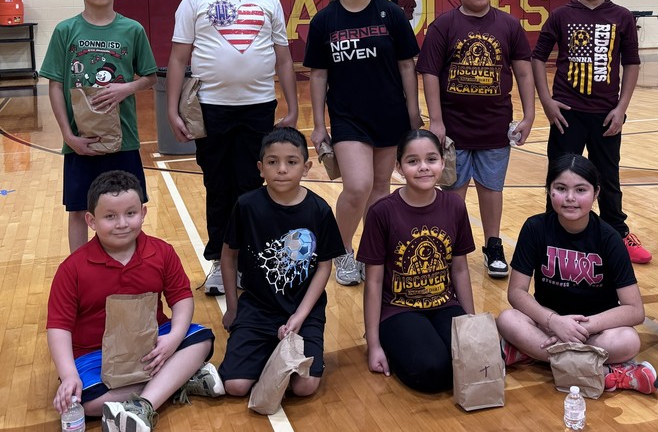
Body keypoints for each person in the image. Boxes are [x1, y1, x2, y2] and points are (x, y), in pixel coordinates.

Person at [165, 0, 298, 296]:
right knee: (218, 185)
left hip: (258, 109)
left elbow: (284, 59)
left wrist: (293, 105)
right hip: (211, 110)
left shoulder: (268, 0)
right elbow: (178, 58)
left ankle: (251, 260)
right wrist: (173, 109)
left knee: (252, 184)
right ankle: (219, 262)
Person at [46, 171, 222, 432]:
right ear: (91, 221)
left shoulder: (162, 252)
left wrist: (173, 338)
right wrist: (69, 374)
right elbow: (59, 326)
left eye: (130, 213)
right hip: (96, 354)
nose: (122, 223)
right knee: (84, 402)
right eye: (110, 216)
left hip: (152, 343)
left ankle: (143, 406)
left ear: (143, 213)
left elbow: (182, 298)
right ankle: (179, 380)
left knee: (202, 340)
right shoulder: (72, 268)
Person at [304, 0, 422, 286]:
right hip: (347, 117)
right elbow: (318, 74)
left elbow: (406, 65)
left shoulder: (391, 14)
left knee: (380, 189)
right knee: (357, 186)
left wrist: (414, 115)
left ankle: (371, 254)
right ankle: (340, 249)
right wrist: (318, 125)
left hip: (390, 114)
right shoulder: (325, 20)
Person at [496, 154, 658, 394]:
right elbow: (517, 292)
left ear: (596, 194)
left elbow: (635, 310)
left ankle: (532, 353)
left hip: (593, 332)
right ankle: (609, 374)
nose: (570, 198)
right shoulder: (535, 228)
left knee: (629, 340)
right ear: (548, 190)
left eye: (581, 190)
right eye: (561, 188)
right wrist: (554, 322)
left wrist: (583, 328)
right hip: (549, 324)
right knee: (507, 319)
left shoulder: (609, 238)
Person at [417, 0, 535, 278]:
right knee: (453, 192)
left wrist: (529, 115)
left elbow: (524, 74)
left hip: (495, 125)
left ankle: (493, 245)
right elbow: (428, 73)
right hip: (454, 128)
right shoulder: (444, 25)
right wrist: (436, 121)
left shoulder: (509, 25)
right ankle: (450, 246)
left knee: (491, 189)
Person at [531, 0, 650, 264]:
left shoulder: (622, 17)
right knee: (560, 176)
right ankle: (553, 234)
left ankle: (617, 232)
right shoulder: (561, 15)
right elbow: (537, 57)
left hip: (606, 116)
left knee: (608, 177)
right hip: (566, 115)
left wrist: (621, 108)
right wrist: (546, 102)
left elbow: (632, 63)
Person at [40, 0, 157, 252]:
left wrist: (125, 88)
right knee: (79, 210)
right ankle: (80, 273)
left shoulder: (133, 30)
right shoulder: (66, 31)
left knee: (128, 207)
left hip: (124, 140)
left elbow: (150, 77)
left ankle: (126, 265)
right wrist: (68, 136)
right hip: (81, 141)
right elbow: (55, 85)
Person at [218, 128, 343, 398]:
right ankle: (267, 351)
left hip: (303, 310)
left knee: (305, 386)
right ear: (261, 168)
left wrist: (299, 316)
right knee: (235, 386)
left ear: (306, 167)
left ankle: (279, 352)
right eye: (273, 162)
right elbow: (228, 256)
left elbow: (324, 266)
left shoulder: (319, 210)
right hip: (257, 308)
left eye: (292, 162)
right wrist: (232, 306)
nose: (282, 169)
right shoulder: (247, 206)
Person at [357, 130, 475, 393]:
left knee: (481, 361)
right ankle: (391, 341)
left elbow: (460, 269)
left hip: (444, 304)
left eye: (431, 159)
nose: (423, 167)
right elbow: (374, 282)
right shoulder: (381, 212)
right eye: (413, 161)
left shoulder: (454, 206)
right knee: (432, 371)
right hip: (399, 309)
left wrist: (472, 324)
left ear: (442, 162)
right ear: (399, 167)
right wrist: (374, 345)